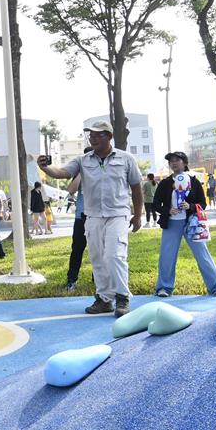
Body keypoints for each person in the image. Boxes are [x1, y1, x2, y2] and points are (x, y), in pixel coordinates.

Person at [38, 120, 142, 317]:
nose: (93, 138)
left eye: (98, 134)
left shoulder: (126, 158)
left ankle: (122, 297)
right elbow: (63, 173)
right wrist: (46, 168)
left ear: (109, 136)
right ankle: (104, 299)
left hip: (117, 214)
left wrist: (137, 215)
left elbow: (136, 187)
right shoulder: (83, 160)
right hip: (92, 215)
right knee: (98, 258)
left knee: (114, 255)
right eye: (90, 135)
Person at [152, 152, 216, 298]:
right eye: (171, 161)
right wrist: (168, 210)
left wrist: (190, 206)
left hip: (191, 224)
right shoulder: (165, 183)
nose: (173, 163)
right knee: (167, 257)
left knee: (203, 255)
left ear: (185, 163)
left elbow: (202, 203)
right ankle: (164, 288)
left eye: (177, 160)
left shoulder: (193, 181)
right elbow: (155, 205)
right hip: (171, 224)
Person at [63, 151, 91, 292]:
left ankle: (99, 279)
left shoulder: (102, 171)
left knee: (100, 251)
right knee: (77, 249)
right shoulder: (79, 173)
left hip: (98, 217)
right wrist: (80, 173)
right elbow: (71, 190)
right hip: (81, 217)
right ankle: (72, 279)